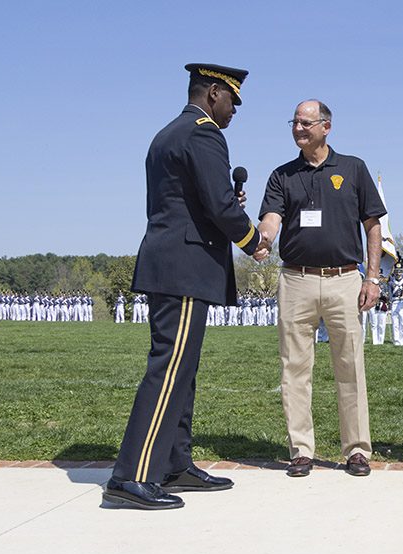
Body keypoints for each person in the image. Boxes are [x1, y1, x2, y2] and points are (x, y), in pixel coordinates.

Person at [103, 63, 269, 510]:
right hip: (184, 266)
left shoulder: (169, 134)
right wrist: (253, 240)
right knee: (169, 367)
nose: (234, 111)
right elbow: (218, 204)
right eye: (232, 101)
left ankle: (174, 463)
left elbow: (185, 201)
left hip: (174, 261)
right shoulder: (203, 134)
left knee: (182, 370)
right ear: (213, 93)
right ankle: (132, 475)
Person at [256, 99, 386, 478]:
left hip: (345, 279)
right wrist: (260, 238)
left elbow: (373, 226)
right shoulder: (282, 175)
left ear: (326, 127)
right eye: (294, 122)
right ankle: (300, 450)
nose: (299, 129)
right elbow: (272, 219)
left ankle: (357, 450)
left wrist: (373, 277)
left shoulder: (353, 169)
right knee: (294, 368)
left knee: (350, 366)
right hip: (295, 280)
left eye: (306, 123)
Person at [388, 266, 403, 345]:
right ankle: (396, 340)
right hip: (394, 303)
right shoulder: (391, 283)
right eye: (397, 272)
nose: (398, 274)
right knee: (395, 323)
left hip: (402, 303)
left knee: (402, 322)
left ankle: (402, 341)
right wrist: (389, 305)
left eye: (400, 272)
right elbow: (390, 294)